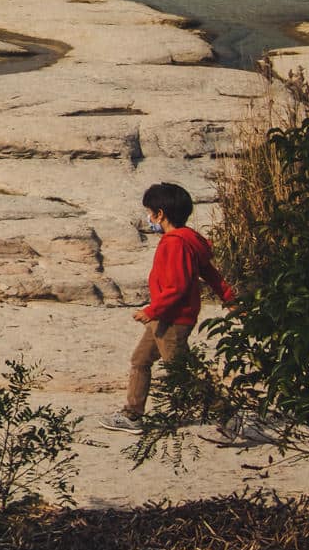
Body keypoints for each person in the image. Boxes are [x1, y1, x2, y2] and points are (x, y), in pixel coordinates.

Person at [99, 182, 237, 434]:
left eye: (150, 212)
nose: (149, 217)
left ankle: (225, 413)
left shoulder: (174, 243)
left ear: (160, 214)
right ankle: (132, 414)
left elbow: (178, 286)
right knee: (140, 359)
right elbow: (212, 275)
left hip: (172, 319)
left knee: (181, 370)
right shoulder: (190, 240)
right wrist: (230, 299)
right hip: (166, 317)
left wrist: (152, 310)